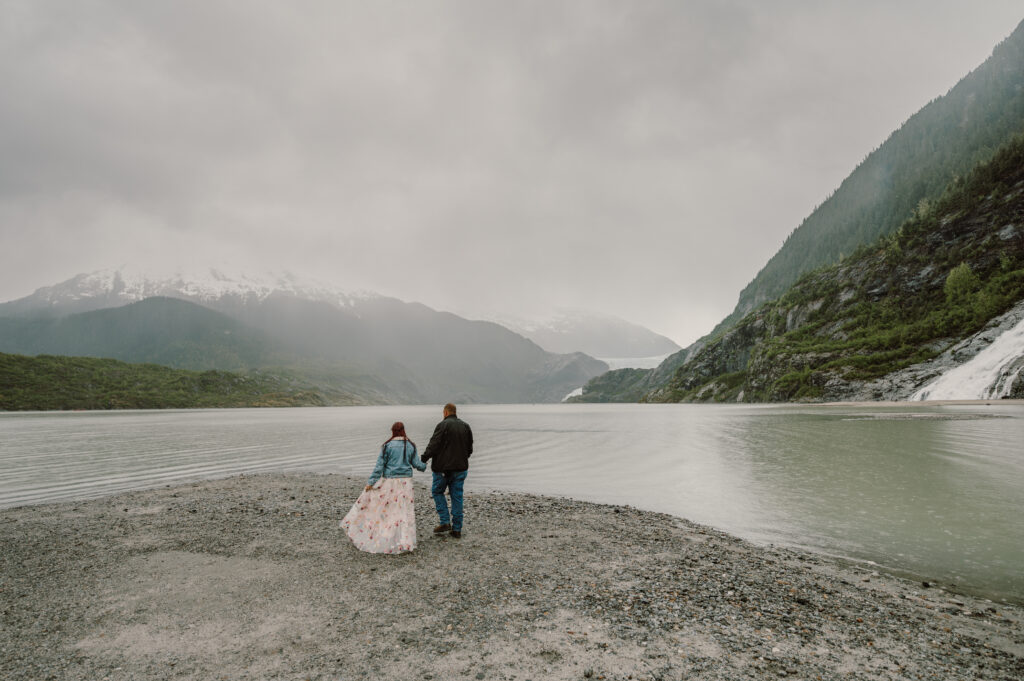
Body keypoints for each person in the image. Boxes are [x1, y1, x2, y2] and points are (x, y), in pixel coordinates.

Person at [340, 421, 426, 554]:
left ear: (393, 431)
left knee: (388, 510)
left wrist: (371, 483)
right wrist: (425, 465)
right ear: (403, 431)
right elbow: (416, 464)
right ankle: (404, 541)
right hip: (406, 484)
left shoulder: (387, 446)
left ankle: (387, 539)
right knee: (403, 511)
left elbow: (379, 467)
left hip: (390, 482)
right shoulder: (410, 445)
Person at [421, 403, 473, 539]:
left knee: (437, 492)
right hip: (461, 468)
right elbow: (469, 449)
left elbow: (434, 444)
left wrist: (424, 458)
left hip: (442, 469)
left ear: (445, 412)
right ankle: (457, 529)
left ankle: (445, 522)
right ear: (455, 412)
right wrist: (461, 459)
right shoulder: (465, 426)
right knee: (457, 497)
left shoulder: (442, 425)